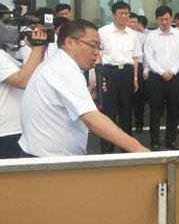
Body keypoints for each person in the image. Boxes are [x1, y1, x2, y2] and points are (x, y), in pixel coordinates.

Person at [18, 20, 148, 157]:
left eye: (99, 48)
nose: (97, 53)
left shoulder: (57, 63)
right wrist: (140, 150)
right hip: (51, 162)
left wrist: (87, 95)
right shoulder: (64, 69)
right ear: (70, 43)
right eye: (92, 45)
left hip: (45, 156)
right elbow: (93, 120)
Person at [97, 0, 142, 153]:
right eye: (121, 13)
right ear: (113, 14)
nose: (124, 16)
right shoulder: (103, 31)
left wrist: (135, 78)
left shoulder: (133, 34)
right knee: (108, 111)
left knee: (126, 111)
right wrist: (99, 75)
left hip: (127, 73)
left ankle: (126, 148)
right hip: (109, 73)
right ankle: (107, 149)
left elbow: (135, 58)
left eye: (126, 13)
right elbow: (98, 54)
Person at [143, 6, 179, 150]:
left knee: (173, 111)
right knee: (155, 111)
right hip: (156, 78)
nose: (164, 22)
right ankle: (155, 141)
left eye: (167, 19)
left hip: (174, 78)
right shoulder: (151, 36)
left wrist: (172, 71)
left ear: (171, 18)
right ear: (157, 20)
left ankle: (171, 140)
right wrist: (162, 72)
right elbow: (149, 58)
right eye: (161, 19)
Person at [0, 28, 47, 158]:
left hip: (14, 129)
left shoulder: (4, 56)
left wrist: (38, 50)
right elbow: (24, 81)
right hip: (8, 131)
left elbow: (29, 72)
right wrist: (37, 47)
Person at [127, 12, 148, 133]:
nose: (133, 24)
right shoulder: (122, 36)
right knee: (125, 96)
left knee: (139, 97)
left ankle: (139, 123)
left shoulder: (142, 37)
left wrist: (145, 70)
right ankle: (126, 123)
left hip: (139, 67)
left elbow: (146, 55)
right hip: (126, 67)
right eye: (131, 22)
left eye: (135, 22)